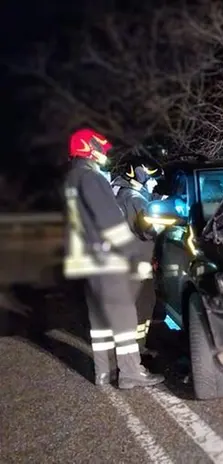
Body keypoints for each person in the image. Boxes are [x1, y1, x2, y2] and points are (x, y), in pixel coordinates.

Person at [63, 128, 164, 389]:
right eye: (100, 148)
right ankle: (131, 373)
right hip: (108, 260)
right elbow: (110, 222)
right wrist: (131, 253)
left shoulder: (70, 179)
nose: (103, 154)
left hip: (87, 261)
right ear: (88, 148)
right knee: (124, 317)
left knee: (99, 322)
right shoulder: (91, 179)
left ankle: (103, 373)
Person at [111, 158, 162, 357]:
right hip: (136, 260)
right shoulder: (136, 199)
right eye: (152, 178)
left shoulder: (121, 192)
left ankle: (131, 350)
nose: (154, 182)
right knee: (144, 303)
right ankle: (133, 353)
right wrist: (164, 223)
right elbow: (150, 230)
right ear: (140, 175)